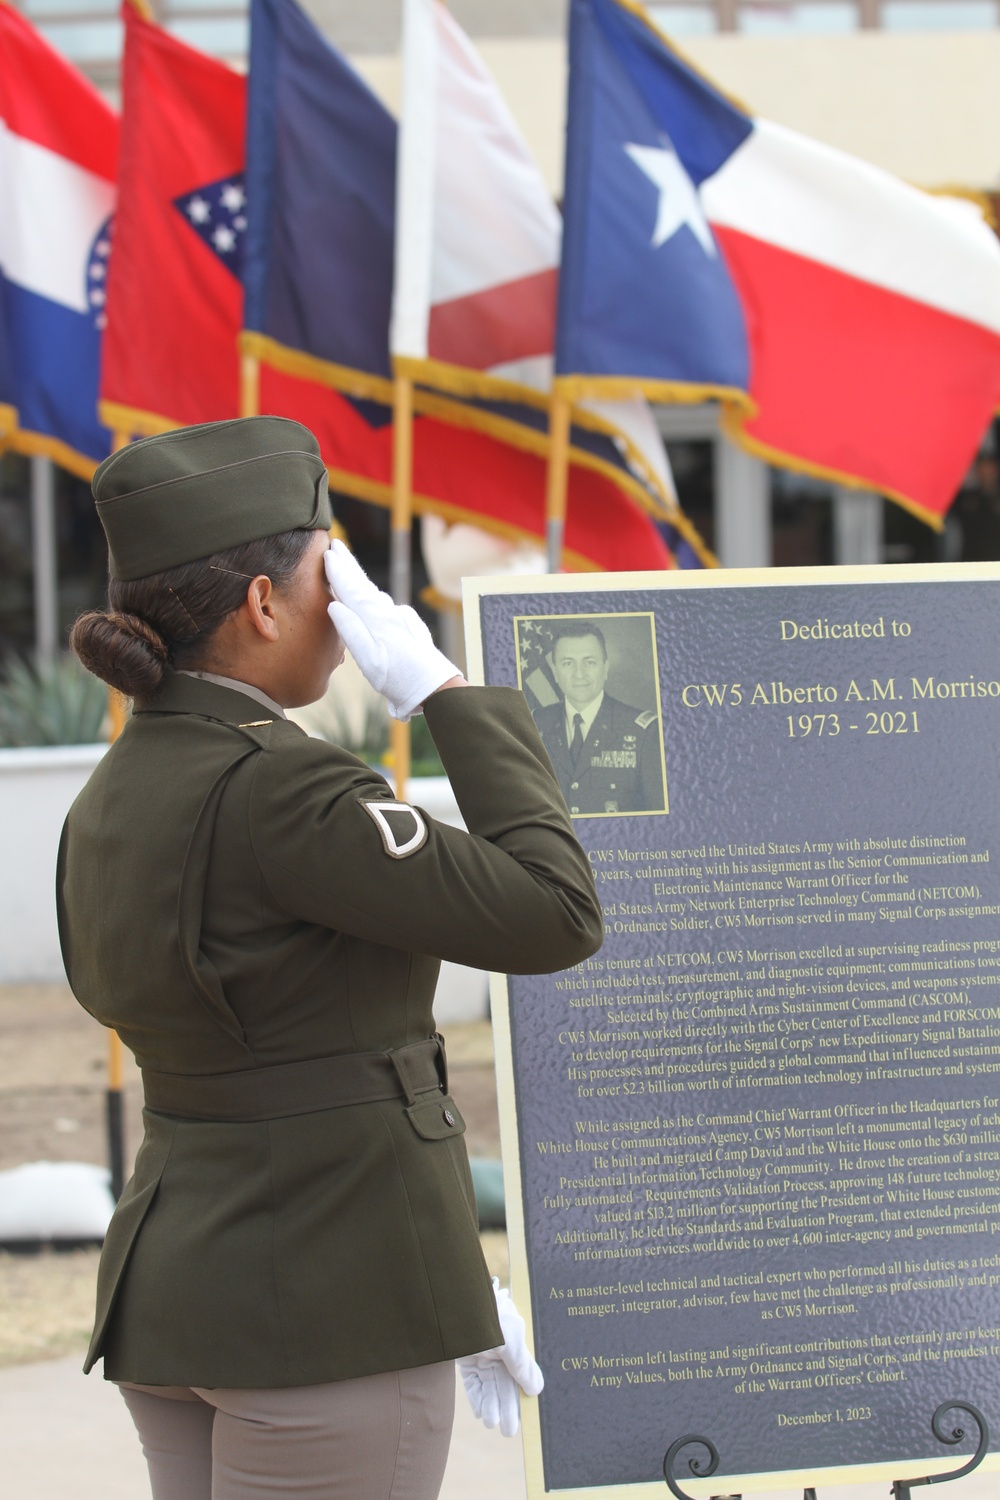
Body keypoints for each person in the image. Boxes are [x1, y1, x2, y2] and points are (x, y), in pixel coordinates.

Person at [57, 416, 604, 1500]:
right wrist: (443, 691)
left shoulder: (111, 794)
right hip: (327, 1298)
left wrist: (444, 1263)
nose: (351, 616)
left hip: (181, 1289)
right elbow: (555, 912)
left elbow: (281, 1057)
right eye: (331, 577)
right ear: (264, 605)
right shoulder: (285, 790)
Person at [531, 622, 664, 816]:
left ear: (606, 668)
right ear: (555, 672)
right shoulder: (534, 724)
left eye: (589, 662)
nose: (579, 674)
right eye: (568, 663)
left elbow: (659, 819)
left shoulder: (642, 731)